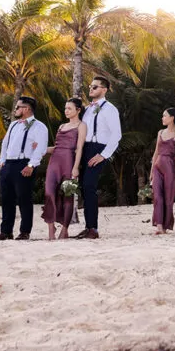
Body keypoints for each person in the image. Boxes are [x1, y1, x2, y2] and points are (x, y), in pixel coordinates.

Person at [0, 96, 49, 240]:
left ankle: (25, 231)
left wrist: (31, 165)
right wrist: (3, 161)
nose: (15, 109)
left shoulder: (39, 126)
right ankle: (6, 231)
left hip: (24, 164)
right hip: (9, 165)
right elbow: (5, 143)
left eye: (18, 107)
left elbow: (41, 147)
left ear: (27, 109)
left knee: (24, 199)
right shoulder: (13, 125)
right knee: (6, 199)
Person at [75, 76, 122, 240]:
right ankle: (88, 226)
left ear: (104, 89)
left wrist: (103, 155)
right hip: (85, 148)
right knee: (83, 187)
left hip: (99, 149)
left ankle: (93, 228)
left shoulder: (110, 109)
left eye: (95, 87)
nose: (91, 89)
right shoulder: (87, 109)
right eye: (90, 86)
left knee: (89, 186)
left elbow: (116, 135)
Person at [42, 97, 87, 240]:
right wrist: (40, 150)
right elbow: (56, 147)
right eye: (65, 108)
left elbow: (79, 148)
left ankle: (65, 229)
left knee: (68, 196)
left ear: (78, 110)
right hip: (54, 162)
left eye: (69, 108)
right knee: (49, 193)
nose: (66, 111)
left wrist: (75, 167)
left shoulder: (81, 125)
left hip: (68, 162)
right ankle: (51, 228)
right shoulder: (61, 126)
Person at [152, 107, 175, 234]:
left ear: (172, 118)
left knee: (168, 198)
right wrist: (152, 171)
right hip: (158, 166)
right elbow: (156, 152)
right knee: (157, 196)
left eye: (164, 115)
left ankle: (165, 226)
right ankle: (159, 226)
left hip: (170, 167)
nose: (162, 118)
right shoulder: (160, 132)